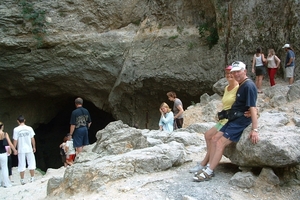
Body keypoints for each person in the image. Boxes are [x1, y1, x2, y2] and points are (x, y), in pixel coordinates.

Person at [193, 61, 258, 182]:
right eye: (234, 72)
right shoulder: (242, 84)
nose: (235, 74)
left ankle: (209, 171)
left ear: (245, 71)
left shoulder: (248, 86)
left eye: (238, 71)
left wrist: (254, 129)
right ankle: (208, 167)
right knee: (213, 139)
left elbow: (253, 107)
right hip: (233, 119)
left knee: (219, 142)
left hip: (240, 121)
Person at [189, 65, 239, 173]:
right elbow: (226, 104)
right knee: (207, 135)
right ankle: (206, 162)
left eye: (231, 73)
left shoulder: (238, 88)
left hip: (230, 120)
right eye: (227, 73)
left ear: (236, 74)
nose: (229, 75)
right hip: (224, 119)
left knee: (214, 139)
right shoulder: (226, 88)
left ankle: (208, 165)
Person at [13, 115, 36, 185]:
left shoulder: (16, 129)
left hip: (21, 149)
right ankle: (32, 178)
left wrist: (14, 149)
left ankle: (22, 180)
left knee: (21, 164)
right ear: (24, 120)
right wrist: (34, 147)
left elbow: (15, 140)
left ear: (18, 121)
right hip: (29, 148)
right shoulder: (29, 128)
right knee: (31, 163)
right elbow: (32, 138)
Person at [0, 122, 17, 188]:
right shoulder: (4, 134)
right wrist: (14, 150)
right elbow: (9, 143)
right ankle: (6, 183)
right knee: (4, 168)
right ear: (2, 126)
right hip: (3, 153)